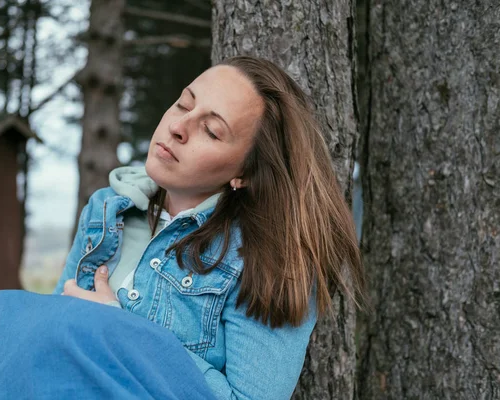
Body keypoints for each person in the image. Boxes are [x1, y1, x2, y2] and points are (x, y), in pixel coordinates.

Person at [52, 55, 365, 399]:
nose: (177, 126)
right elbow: (51, 324)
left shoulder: (269, 260)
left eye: (212, 131)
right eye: (183, 103)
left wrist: (121, 330)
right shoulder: (108, 207)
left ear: (244, 173)